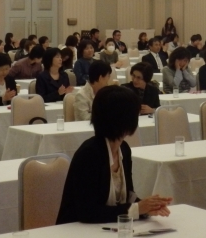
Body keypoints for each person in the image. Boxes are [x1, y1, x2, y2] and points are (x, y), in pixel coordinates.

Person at [57, 86, 172, 224]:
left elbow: (127, 196)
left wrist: (147, 207)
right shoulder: (89, 154)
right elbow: (87, 212)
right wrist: (136, 209)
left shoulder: (124, 149)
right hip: (75, 229)